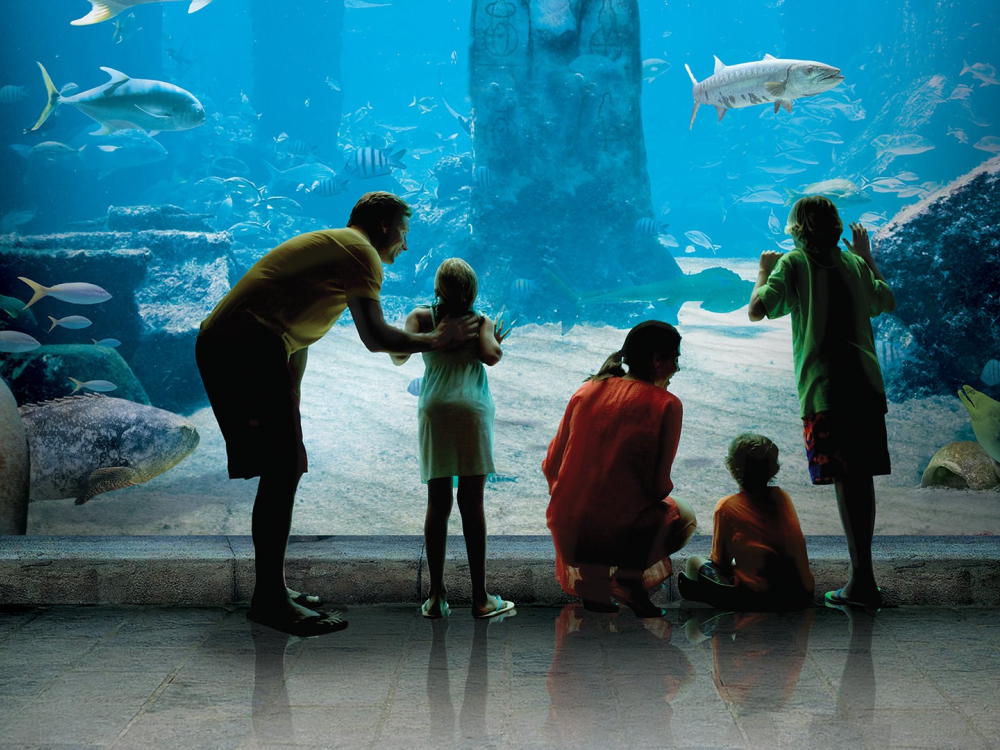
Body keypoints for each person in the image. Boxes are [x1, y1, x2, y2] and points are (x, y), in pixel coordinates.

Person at [196, 192, 480, 636]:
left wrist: (291, 397)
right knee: (282, 468)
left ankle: (273, 588)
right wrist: (437, 340)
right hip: (243, 346)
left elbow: (297, 330)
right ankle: (268, 598)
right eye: (403, 232)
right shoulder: (361, 251)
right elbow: (373, 336)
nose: (405, 245)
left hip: (245, 345)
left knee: (282, 468)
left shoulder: (337, 248)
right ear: (384, 226)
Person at [748, 195, 896, 609]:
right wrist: (866, 257)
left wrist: (762, 271)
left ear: (796, 230)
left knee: (847, 483)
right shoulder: (852, 264)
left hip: (825, 389)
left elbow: (757, 310)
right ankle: (863, 577)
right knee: (860, 479)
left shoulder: (793, 263)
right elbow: (884, 301)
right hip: (866, 387)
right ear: (835, 225)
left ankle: (862, 584)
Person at [542, 321, 698, 618]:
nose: (677, 369)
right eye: (675, 360)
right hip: (615, 536)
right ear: (657, 360)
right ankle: (629, 580)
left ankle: (594, 585)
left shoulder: (586, 390)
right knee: (684, 516)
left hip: (566, 531)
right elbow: (658, 487)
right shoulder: (667, 405)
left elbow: (551, 465)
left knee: (595, 505)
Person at [391, 258, 514, 619]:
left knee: (437, 502)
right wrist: (492, 339)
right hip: (472, 410)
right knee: (472, 504)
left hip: (435, 409)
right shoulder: (481, 320)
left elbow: (399, 355)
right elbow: (491, 357)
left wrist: (433, 340)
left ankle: (435, 596)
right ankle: (480, 597)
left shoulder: (420, 316)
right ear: (472, 290)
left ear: (438, 287)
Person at [678, 433, 814, 611]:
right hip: (803, 593)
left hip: (761, 599)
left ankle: (714, 597)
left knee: (694, 562)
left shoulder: (726, 506)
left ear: (732, 468)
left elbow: (721, 563)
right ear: (773, 469)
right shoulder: (782, 496)